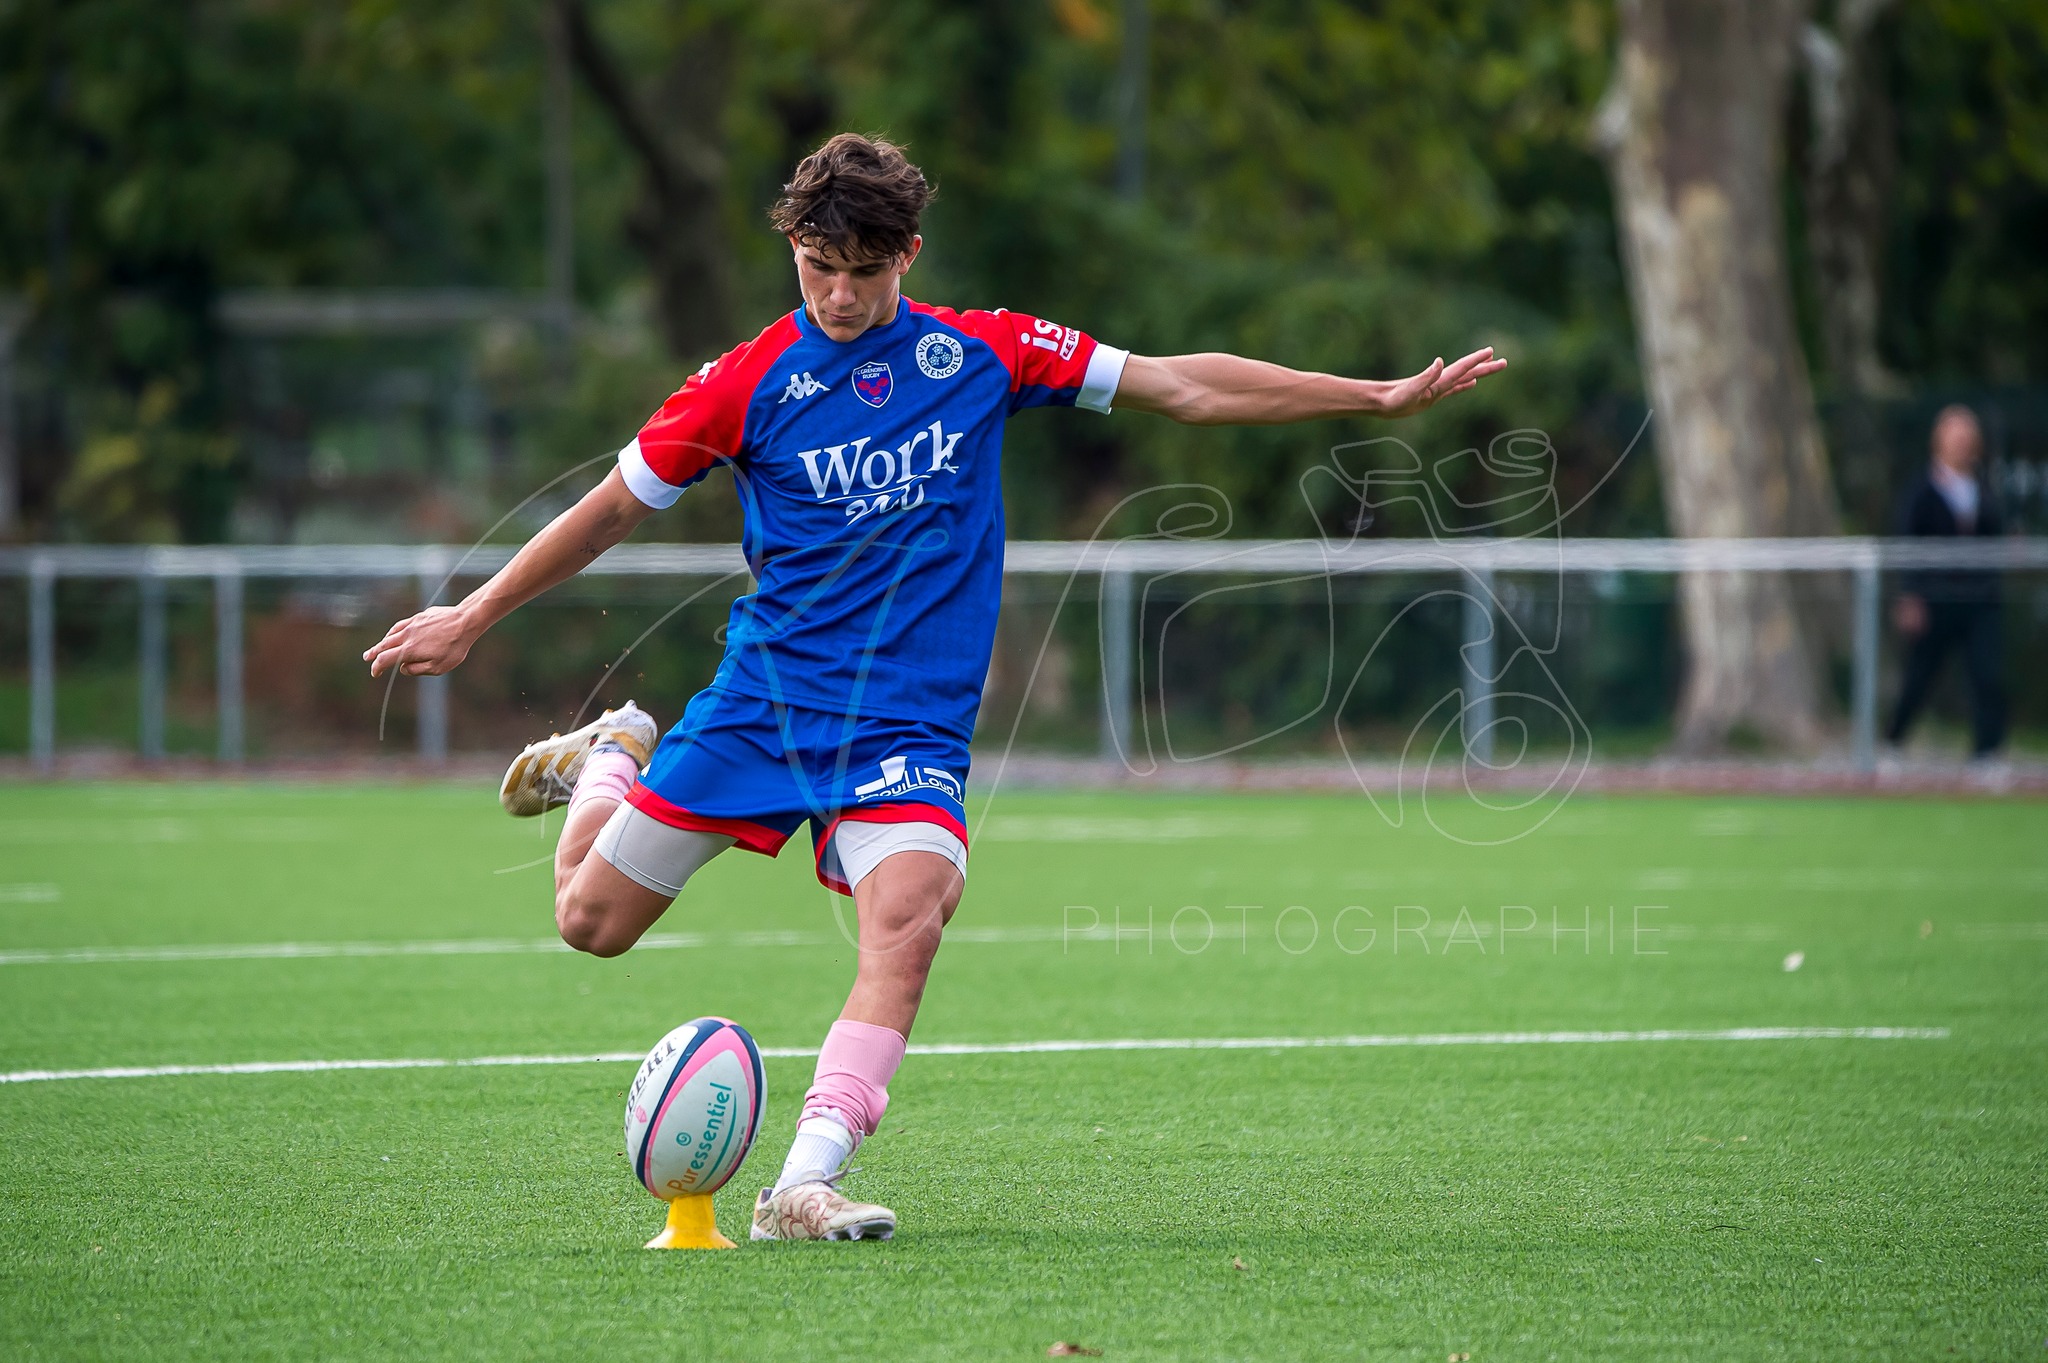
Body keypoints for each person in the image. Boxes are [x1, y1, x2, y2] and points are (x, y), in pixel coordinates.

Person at [362, 134, 1505, 1241]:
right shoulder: (742, 383)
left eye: (864, 272)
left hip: (907, 724)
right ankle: (611, 755)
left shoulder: (985, 352)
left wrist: (1374, 399)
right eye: (819, 268)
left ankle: (803, 1183)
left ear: (906, 254)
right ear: (791, 246)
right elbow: (610, 507)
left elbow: (1181, 388)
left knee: (905, 921)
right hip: (765, 705)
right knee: (589, 924)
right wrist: (471, 611)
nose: (840, 295)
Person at [1886, 404, 2006, 758]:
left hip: (1978, 600)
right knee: (1919, 677)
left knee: (1987, 675)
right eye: (1955, 438)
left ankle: (1987, 753)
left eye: (1967, 439)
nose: (1961, 445)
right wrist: (1909, 596)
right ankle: (1893, 742)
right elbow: (1907, 543)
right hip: (1934, 599)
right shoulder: (1921, 490)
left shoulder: (1983, 490)